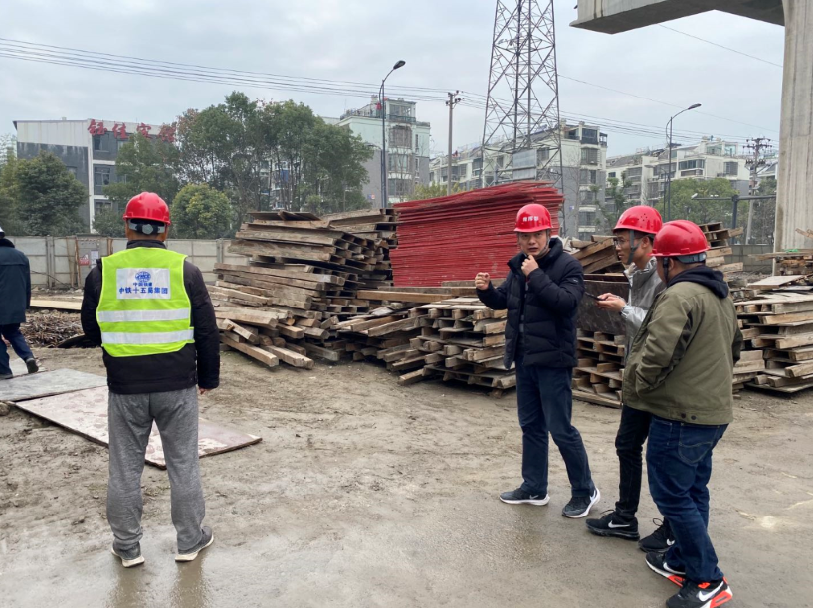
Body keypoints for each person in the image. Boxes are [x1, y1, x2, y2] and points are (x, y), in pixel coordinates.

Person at [80, 192, 220, 567]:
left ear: (127, 226)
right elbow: (207, 330)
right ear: (165, 230)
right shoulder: (185, 270)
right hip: (177, 385)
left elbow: (91, 330)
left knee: (125, 469)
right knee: (183, 465)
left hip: (125, 386)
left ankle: (127, 547)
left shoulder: (103, 271)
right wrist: (208, 377)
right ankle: (189, 542)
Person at [623, 220, 741, 608]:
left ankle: (708, 579)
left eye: (659, 261)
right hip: (711, 412)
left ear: (668, 263)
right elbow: (736, 348)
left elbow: (658, 354)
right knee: (692, 490)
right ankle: (681, 559)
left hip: (680, 415)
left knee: (673, 495)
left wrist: (640, 386)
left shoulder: (678, 296)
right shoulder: (720, 294)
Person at [475, 203, 599, 518]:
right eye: (525, 236)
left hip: (554, 360)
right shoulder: (519, 265)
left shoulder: (568, 266)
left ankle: (585, 490)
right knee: (531, 425)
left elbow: (566, 302)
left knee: (560, 428)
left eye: (537, 235)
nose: (531, 241)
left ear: (548, 233)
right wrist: (487, 291)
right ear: (518, 238)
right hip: (525, 357)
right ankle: (534, 487)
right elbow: (506, 300)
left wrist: (536, 275)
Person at [586, 206, 675, 552]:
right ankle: (625, 517)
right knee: (627, 445)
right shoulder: (638, 275)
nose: (618, 247)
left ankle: (673, 528)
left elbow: (659, 326)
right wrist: (623, 304)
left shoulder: (664, 277)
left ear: (647, 242)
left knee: (664, 457)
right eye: (616, 240)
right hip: (638, 376)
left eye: (623, 240)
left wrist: (623, 308)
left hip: (660, 380)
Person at [0, 224, 39, 379]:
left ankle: (4, 371)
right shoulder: (21, 256)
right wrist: (25, 304)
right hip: (17, 305)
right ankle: (28, 357)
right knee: (13, 332)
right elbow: (27, 284)